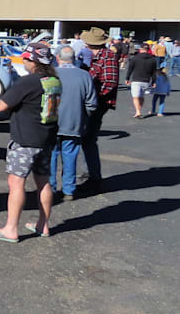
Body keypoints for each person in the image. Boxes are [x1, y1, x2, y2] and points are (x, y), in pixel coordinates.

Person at [0, 43, 61, 242]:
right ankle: (43, 224)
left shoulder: (27, 82)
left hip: (25, 139)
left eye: (25, 59)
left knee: (16, 183)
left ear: (32, 61)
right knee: (43, 182)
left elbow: (1, 106)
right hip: (47, 137)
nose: (24, 62)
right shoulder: (54, 80)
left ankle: (11, 229)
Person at [49, 46, 97, 200]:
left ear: (57, 57)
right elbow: (92, 104)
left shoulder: (50, 74)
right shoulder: (84, 75)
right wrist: (83, 117)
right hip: (74, 123)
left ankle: (50, 189)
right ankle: (69, 189)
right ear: (74, 58)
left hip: (51, 122)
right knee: (70, 155)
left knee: (50, 156)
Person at [81, 27, 119, 189]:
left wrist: (94, 97)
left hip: (99, 102)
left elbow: (110, 81)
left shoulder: (108, 56)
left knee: (88, 138)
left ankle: (94, 177)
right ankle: (90, 172)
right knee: (87, 138)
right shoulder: (96, 56)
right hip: (95, 101)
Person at [125, 42, 158, 118]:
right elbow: (154, 72)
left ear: (140, 49)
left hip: (136, 79)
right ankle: (139, 110)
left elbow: (130, 69)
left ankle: (138, 111)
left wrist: (127, 78)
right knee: (141, 97)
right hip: (146, 80)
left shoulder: (135, 58)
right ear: (148, 49)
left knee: (135, 97)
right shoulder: (153, 59)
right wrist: (154, 81)